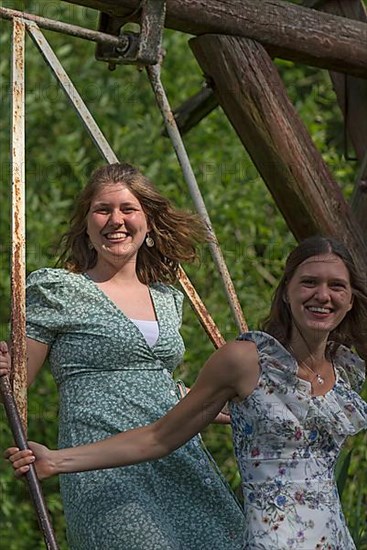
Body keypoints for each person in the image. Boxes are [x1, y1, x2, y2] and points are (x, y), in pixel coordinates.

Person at [5, 235, 367, 549]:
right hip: (273, 539)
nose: (323, 295)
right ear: (287, 291)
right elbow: (158, 438)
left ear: (351, 299)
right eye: (309, 283)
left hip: (334, 538)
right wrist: (56, 460)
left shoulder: (348, 372)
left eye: (337, 286)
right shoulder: (244, 360)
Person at [0, 162, 245, 550]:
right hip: (100, 463)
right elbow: (17, 385)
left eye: (128, 209)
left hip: (176, 456)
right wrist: (6, 367)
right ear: (86, 223)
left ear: (147, 221)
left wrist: (198, 400)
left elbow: (152, 376)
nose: (116, 220)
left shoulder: (168, 298)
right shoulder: (59, 289)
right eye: (103, 209)